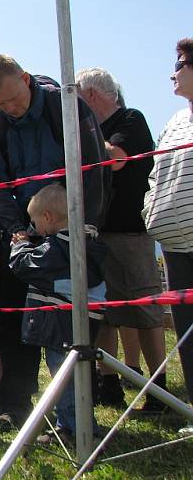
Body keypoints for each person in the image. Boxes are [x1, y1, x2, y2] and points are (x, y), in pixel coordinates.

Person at [0, 54, 109, 431]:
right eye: (1, 105)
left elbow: (93, 167)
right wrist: (18, 229)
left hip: (72, 227)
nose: (12, 109)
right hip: (22, 232)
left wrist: (81, 225)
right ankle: (15, 404)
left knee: (71, 324)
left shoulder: (64, 105)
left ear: (26, 78)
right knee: (16, 319)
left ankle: (76, 409)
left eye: (15, 99)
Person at [76, 67, 167, 412]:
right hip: (98, 231)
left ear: (92, 96)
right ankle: (108, 382)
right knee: (103, 312)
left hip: (129, 231)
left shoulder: (130, 119)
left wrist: (83, 136)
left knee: (144, 309)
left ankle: (158, 390)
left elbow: (115, 159)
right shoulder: (95, 129)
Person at [10, 184, 106, 445]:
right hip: (84, 319)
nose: (33, 227)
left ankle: (76, 429)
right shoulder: (86, 241)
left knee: (63, 378)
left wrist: (19, 246)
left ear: (48, 217)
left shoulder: (60, 247)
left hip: (62, 323)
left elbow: (25, 266)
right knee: (76, 376)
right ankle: (77, 423)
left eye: (34, 221)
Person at [143, 37, 193, 435]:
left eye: (180, 64)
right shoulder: (176, 121)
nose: (173, 73)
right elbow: (156, 174)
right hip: (175, 243)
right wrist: (152, 209)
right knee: (188, 332)